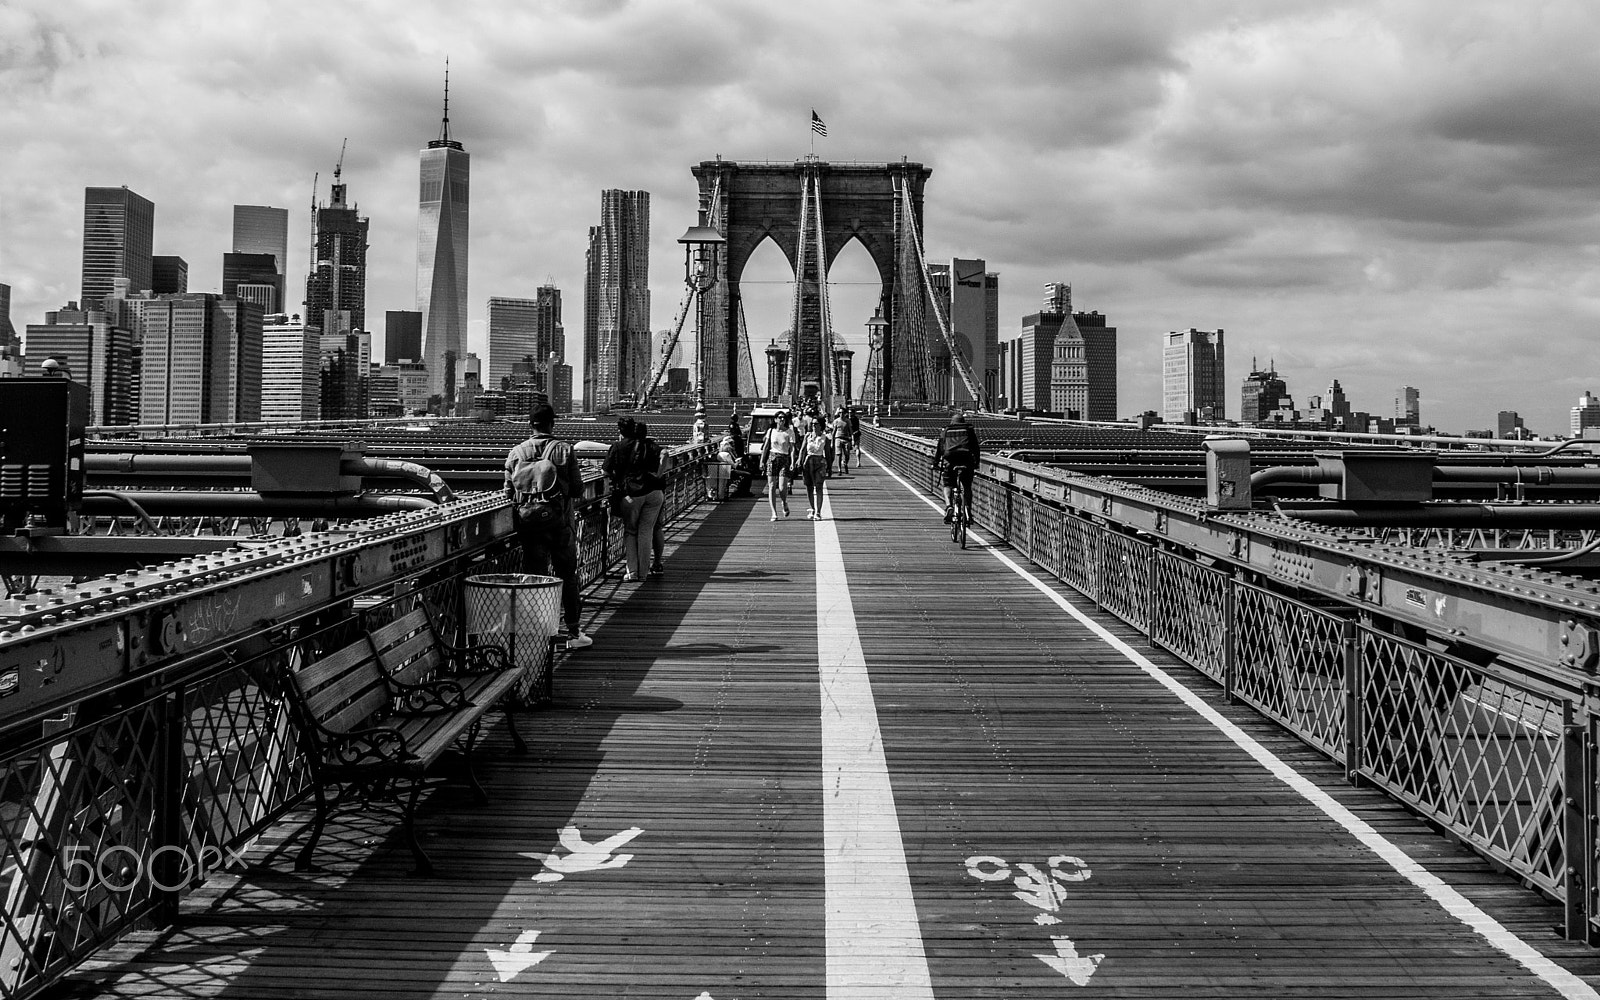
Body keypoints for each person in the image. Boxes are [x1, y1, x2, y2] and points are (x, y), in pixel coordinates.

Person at [504, 403, 592, 649]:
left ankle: (539, 635)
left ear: (530, 424)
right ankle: (573, 634)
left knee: (536, 579)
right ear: (553, 423)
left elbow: (508, 492)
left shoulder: (516, 452)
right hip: (559, 524)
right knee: (567, 576)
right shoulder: (564, 450)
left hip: (529, 525)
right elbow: (576, 489)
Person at [603, 418, 663, 581]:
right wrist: (658, 474)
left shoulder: (617, 447)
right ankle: (644, 573)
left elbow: (606, 471)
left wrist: (617, 481)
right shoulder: (648, 445)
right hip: (654, 492)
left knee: (630, 531)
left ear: (620, 431)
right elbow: (665, 455)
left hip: (631, 494)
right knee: (646, 531)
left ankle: (632, 571)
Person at [932, 411, 981, 525]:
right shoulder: (969, 430)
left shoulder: (946, 431)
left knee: (948, 484)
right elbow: (976, 448)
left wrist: (935, 463)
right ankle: (968, 508)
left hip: (950, 461)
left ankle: (949, 506)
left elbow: (940, 449)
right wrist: (976, 462)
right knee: (967, 486)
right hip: (966, 460)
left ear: (952, 422)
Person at [760, 410, 797, 520]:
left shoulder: (789, 432)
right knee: (771, 486)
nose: (782, 419)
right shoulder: (771, 431)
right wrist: (762, 461)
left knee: (782, 487)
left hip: (784, 459)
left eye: (783, 418)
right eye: (780, 417)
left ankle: (784, 502)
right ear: (775, 419)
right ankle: (774, 513)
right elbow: (766, 447)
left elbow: (792, 448)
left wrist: (792, 462)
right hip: (772, 458)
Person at [799, 416, 832, 519]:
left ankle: (818, 512)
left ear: (821, 425)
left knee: (818, 487)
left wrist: (829, 467)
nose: (813, 426)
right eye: (812, 424)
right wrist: (799, 460)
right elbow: (803, 449)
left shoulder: (825, 438)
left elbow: (828, 453)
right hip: (808, 462)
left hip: (819, 462)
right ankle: (812, 508)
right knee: (809, 487)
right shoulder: (807, 436)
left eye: (816, 424)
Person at [830, 410, 853, 477]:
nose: (841, 414)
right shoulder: (836, 421)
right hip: (838, 438)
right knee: (839, 454)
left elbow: (850, 430)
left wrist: (852, 439)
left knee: (847, 454)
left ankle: (845, 463)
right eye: (840, 413)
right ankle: (839, 469)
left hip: (846, 438)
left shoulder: (847, 421)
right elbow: (834, 432)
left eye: (843, 412)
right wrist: (832, 441)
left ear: (845, 413)